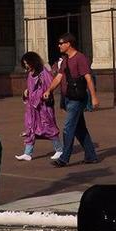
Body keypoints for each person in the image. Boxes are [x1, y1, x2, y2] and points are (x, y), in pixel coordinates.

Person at [47, 33, 100, 167]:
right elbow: (59, 77)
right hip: (69, 98)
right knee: (80, 129)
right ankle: (91, 156)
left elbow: (88, 78)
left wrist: (94, 97)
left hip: (77, 99)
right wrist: (49, 90)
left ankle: (64, 158)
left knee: (68, 128)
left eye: (61, 43)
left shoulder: (80, 58)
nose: (59, 46)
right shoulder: (65, 59)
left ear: (68, 44)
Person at [17, 51, 59, 160]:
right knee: (30, 127)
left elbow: (50, 86)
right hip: (32, 107)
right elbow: (30, 87)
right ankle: (28, 153)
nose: (26, 66)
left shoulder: (44, 73)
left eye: (27, 63)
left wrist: (43, 93)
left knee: (49, 127)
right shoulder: (30, 74)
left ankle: (59, 149)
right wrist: (27, 91)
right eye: (24, 64)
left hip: (43, 107)